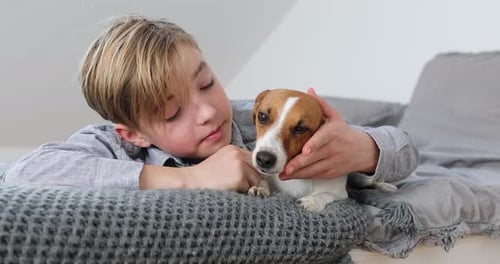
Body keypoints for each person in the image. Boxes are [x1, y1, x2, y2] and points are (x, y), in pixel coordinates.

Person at [4, 15, 418, 192]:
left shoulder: (252, 120)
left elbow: (406, 150)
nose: (206, 111)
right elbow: (25, 174)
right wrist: (190, 179)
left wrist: (365, 150)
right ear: (132, 131)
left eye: (206, 83)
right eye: (172, 113)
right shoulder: (118, 147)